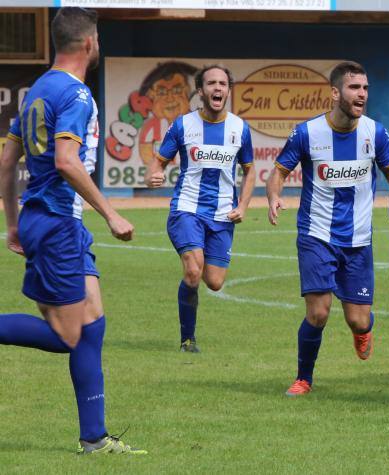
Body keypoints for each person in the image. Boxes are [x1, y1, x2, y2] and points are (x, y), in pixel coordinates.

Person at [0, 7, 145, 454]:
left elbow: (7, 163)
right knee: (68, 336)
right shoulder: (77, 94)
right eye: (97, 37)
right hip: (59, 221)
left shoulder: (38, 89)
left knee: (93, 325)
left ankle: (94, 438)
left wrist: (12, 223)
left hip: (48, 221)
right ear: (89, 42)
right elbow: (66, 161)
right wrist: (111, 214)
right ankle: (93, 437)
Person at [266, 61, 389, 396]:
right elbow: (279, 172)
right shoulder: (307, 133)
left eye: (365, 88)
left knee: (357, 319)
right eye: (355, 88)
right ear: (335, 92)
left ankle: (363, 330)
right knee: (319, 312)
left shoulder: (375, 133)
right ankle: (303, 378)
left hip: (358, 239)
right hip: (316, 235)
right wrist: (274, 197)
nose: (362, 94)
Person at [145, 65, 256, 353]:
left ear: (228, 91)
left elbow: (250, 170)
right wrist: (154, 174)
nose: (217, 88)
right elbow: (158, 162)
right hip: (187, 209)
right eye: (211, 83)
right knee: (193, 272)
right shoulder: (183, 125)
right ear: (200, 91)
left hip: (222, 215)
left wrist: (242, 205)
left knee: (215, 282)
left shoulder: (240, 128)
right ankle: (187, 339)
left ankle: (198, 272)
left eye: (222, 83)